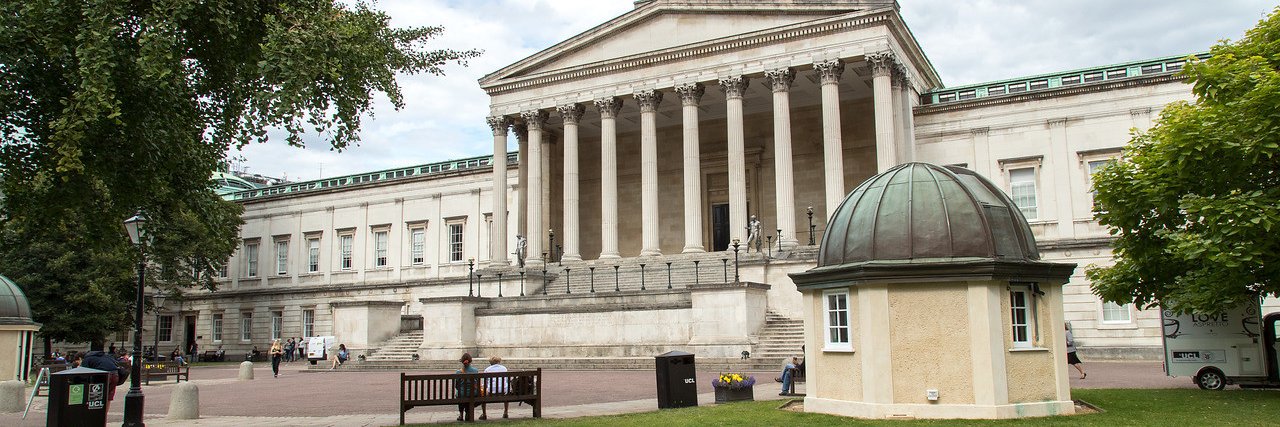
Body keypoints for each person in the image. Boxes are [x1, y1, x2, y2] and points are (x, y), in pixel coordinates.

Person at [80, 342, 128, 412]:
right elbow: (116, 364)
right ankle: (105, 414)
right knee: (109, 396)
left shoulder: (87, 358)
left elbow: (84, 372)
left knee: (96, 394)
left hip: (102, 375)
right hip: (115, 375)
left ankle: (96, 413)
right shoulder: (106, 356)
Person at [481, 355, 510, 420]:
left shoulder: (487, 370)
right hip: (503, 391)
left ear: (490, 362)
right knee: (506, 390)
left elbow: (486, 383)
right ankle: (506, 412)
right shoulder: (504, 368)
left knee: (482, 393)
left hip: (491, 391)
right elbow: (506, 381)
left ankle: (484, 414)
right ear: (499, 361)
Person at [454, 352, 479, 421]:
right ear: (470, 361)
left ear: (462, 361)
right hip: (473, 393)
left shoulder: (458, 372)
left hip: (462, 394)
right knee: (470, 395)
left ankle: (461, 415)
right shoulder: (475, 371)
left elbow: (457, 386)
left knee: (460, 394)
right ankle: (468, 412)